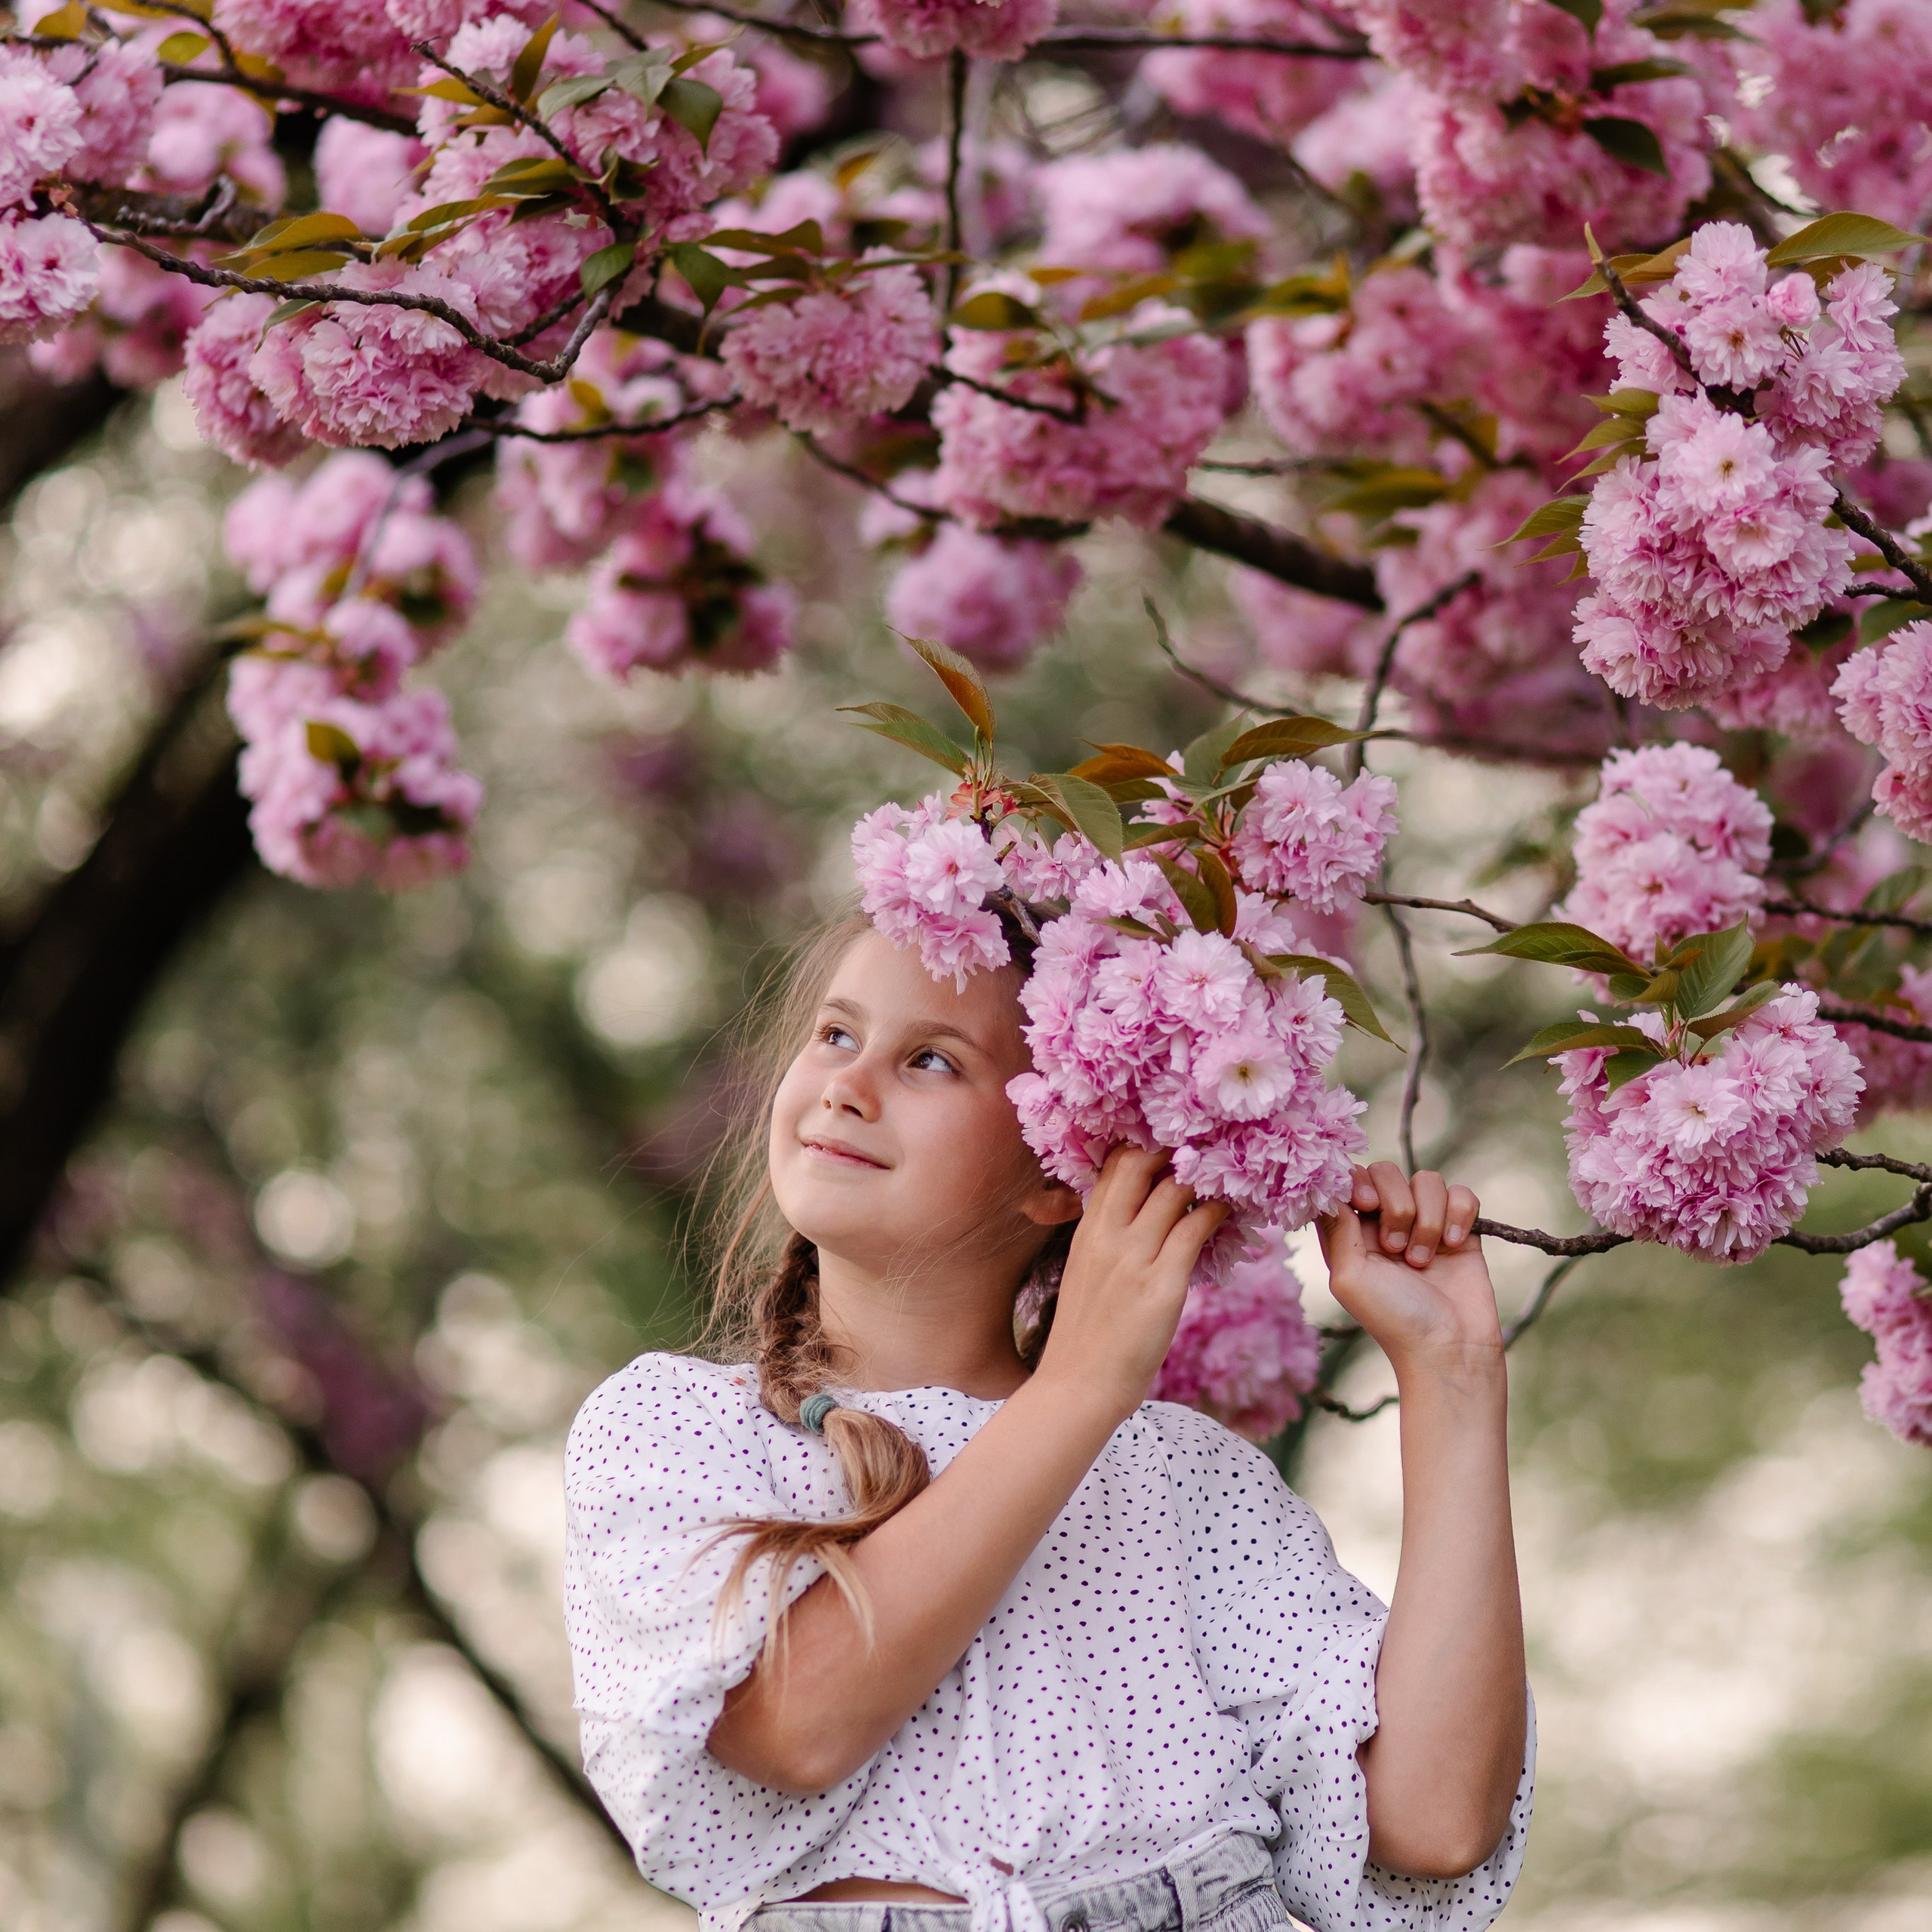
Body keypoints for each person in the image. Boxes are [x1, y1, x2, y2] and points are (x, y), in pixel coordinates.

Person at [563, 913, 1533, 1932]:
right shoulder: (674, 1428)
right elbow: (794, 1729)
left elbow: (1433, 1824)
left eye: (931, 1060)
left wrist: (1454, 1380)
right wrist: (1078, 1385)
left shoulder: (1185, 1480)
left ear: (1061, 1172)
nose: (847, 1085)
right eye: (836, 1035)